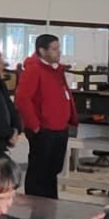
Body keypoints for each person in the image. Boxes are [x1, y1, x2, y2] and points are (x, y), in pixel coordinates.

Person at [15, 33, 78, 199]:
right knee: (40, 171)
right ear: (42, 51)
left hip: (59, 128)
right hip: (44, 129)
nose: (59, 52)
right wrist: (34, 125)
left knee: (52, 170)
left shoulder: (56, 70)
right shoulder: (34, 69)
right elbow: (23, 99)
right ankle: (36, 204)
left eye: (59, 48)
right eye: (54, 49)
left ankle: (50, 203)